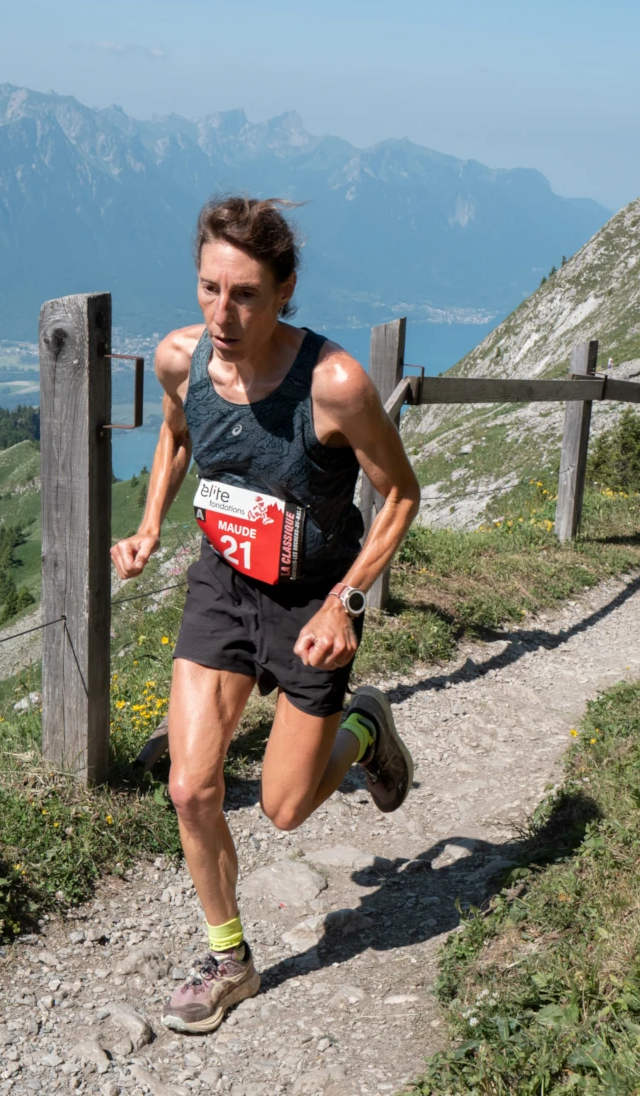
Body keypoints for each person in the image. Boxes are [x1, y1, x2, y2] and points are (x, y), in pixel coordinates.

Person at [110, 196, 421, 1035]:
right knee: (190, 786)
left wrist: (345, 602)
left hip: (311, 600)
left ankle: (364, 728)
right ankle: (230, 960)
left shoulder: (335, 384)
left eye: (245, 294)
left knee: (284, 807)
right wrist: (148, 526)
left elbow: (400, 493)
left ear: (284, 291)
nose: (223, 314)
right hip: (223, 580)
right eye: (209, 288)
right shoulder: (181, 358)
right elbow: (178, 435)